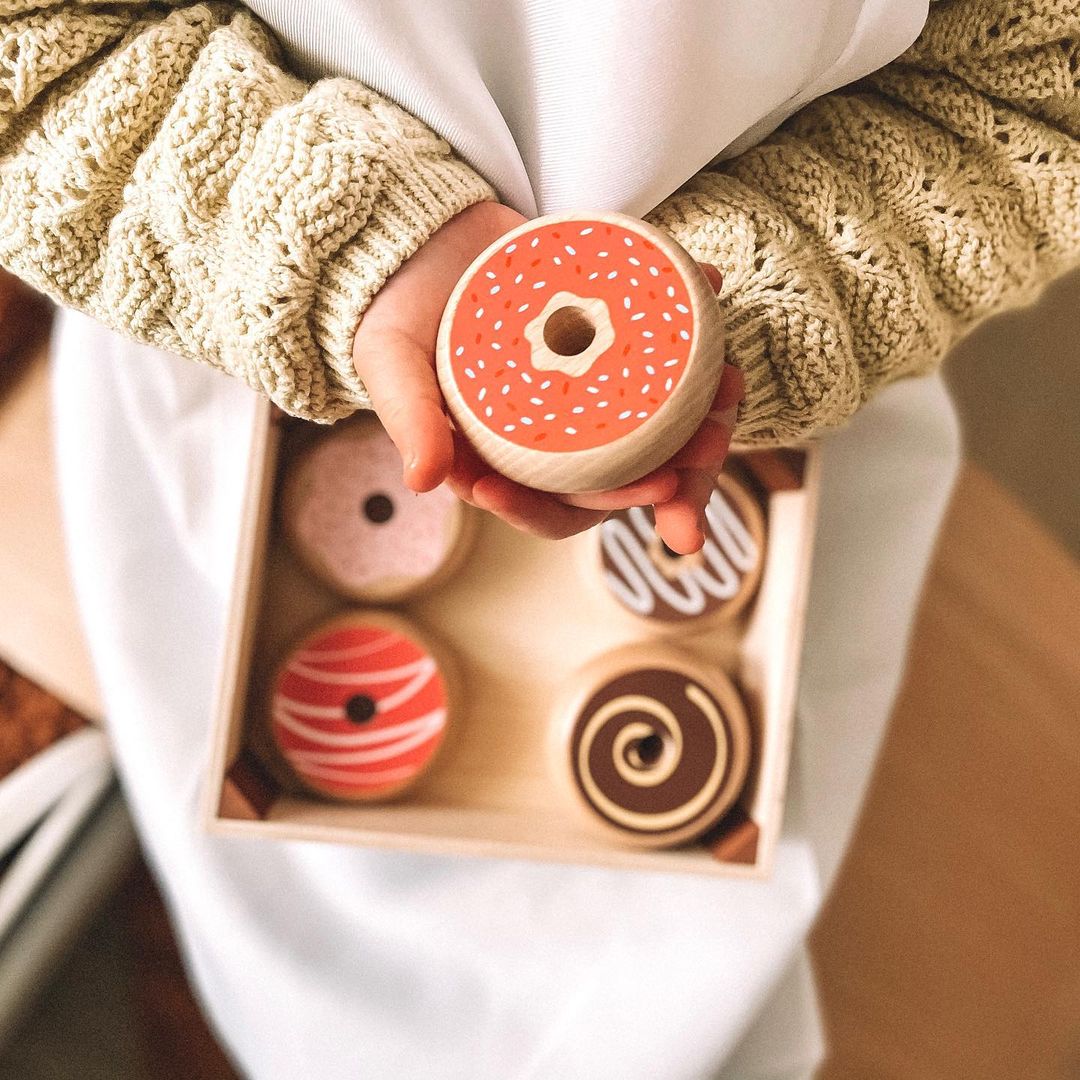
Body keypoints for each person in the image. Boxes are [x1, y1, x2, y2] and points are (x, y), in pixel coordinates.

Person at [2, 0, 1078, 1075]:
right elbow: (32, 54)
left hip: (753, 428)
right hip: (236, 311)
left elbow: (1036, 97)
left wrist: (729, 326)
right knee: (269, 871)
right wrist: (350, 245)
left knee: (657, 993)